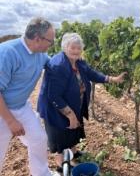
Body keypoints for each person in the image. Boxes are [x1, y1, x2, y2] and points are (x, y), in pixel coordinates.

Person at [37, 32, 126, 173]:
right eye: (73, 48)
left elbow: (91, 73)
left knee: (73, 130)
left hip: (72, 103)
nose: (76, 51)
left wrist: (111, 79)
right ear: (65, 47)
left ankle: (74, 153)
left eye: (79, 48)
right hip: (55, 107)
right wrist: (70, 115)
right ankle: (61, 166)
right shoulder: (58, 65)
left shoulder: (78, 62)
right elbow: (54, 96)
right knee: (60, 135)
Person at [0, 17, 55, 176]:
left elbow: (53, 65)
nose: (51, 45)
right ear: (38, 39)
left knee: (38, 139)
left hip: (21, 107)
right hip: (2, 111)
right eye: (50, 41)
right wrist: (10, 121)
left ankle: (41, 173)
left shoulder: (39, 53)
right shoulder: (7, 53)